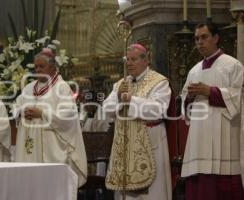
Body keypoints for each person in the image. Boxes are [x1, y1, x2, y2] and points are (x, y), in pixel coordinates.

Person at [181, 23, 244, 200]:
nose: (199, 42)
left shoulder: (233, 65)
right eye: (196, 39)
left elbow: (238, 98)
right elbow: (185, 107)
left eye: (204, 37)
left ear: (216, 38)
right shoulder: (193, 71)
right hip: (199, 139)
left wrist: (211, 92)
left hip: (224, 136)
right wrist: (189, 99)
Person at [103, 43, 172, 200]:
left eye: (133, 59)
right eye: (127, 59)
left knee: (152, 192)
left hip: (149, 142)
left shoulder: (159, 82)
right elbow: (106, 109)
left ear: (145, 60)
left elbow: (159, 109)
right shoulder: (121, 84)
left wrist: (131, 100)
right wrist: (120, 99)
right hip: (124, 145)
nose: (129, 63)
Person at [14, 48, 87, 187]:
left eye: (42, 66)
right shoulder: (29, 88)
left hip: (52, 148)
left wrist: (42, 113)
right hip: (29, 146)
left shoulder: (62, 88)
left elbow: (68, 116)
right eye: (36, 66)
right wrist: (21, 112)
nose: (38, 69)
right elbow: (16, 106)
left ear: (53, 67)